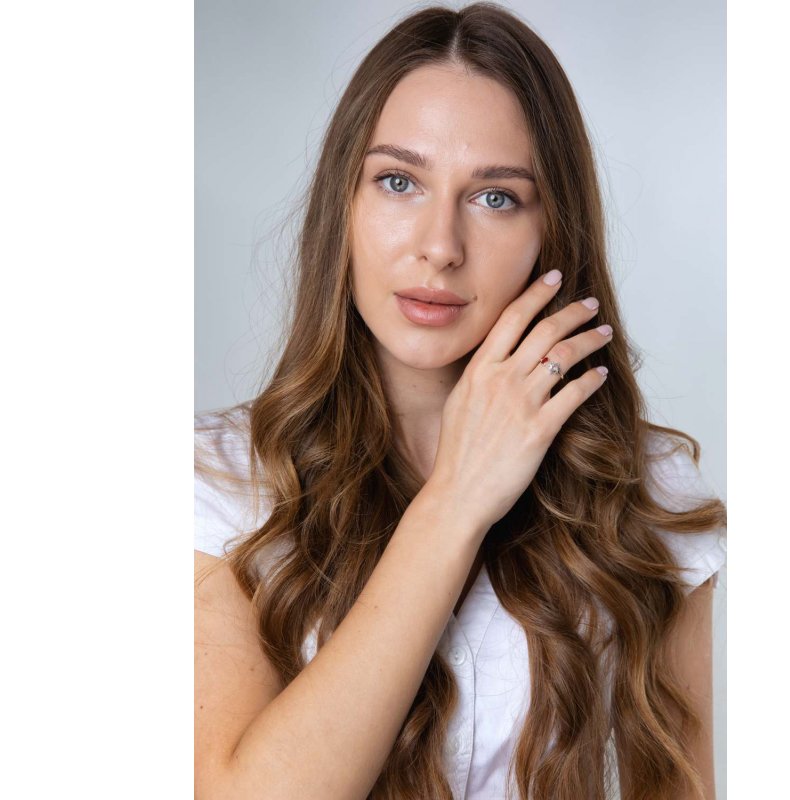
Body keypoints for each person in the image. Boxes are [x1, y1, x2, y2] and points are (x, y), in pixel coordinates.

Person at [194, 3, 727, 799]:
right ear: (344, 206)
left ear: (555, 232)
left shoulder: (648, 492)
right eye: (399, 181)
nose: (439, 246)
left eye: (496, 198)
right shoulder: (221, 484)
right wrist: (457, 500)